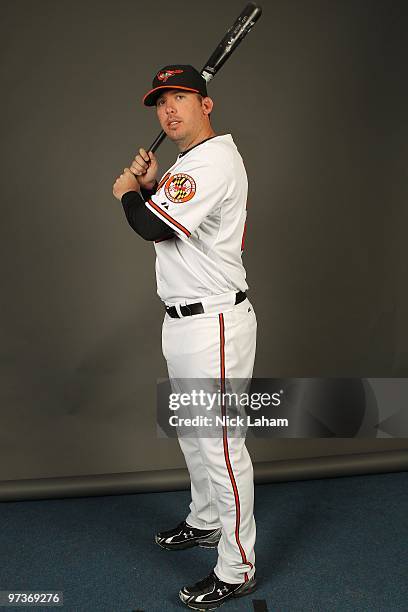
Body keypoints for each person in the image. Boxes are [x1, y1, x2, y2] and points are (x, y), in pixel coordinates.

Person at [112, 65, 257, 610]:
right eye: (161, 101)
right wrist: (151, 188)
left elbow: (152, 226)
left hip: (214, 321)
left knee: (220, 446)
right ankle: (205, 520)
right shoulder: (189, 163)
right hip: (185, 320)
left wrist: (130, 193)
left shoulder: (212, 160)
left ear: (207, 104)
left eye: (181, 97)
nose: (169, 110)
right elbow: (170, 219)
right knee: (194, 435)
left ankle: (238, 565)